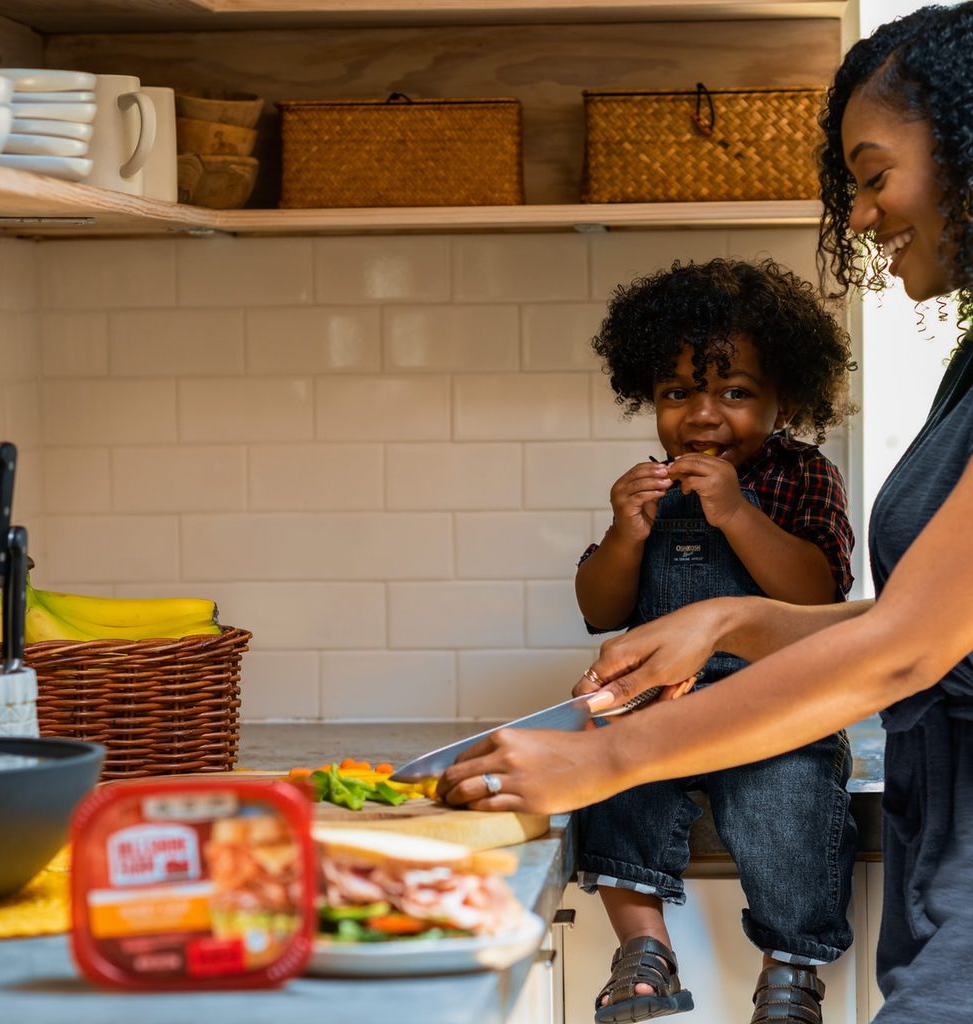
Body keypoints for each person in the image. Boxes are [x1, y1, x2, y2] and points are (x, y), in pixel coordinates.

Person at [439, 5, 973, 1023]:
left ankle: (788, 965)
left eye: (871, 174)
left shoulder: (790, 477)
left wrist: (601, 758)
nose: (859, 215)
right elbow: (939, 622)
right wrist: (727, 619)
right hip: (942, 874)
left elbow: (907, 651)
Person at [573, 257, 858, 1024]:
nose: (702, 416)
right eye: (677, 394)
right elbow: (600, 608)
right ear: (649, 398)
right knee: (609, 779)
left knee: (786, 804)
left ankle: (790, 974)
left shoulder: (804, 477)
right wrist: (624, 536)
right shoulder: (651, 487)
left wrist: (736, 514)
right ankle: (644, 952)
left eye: (734, 391)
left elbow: (819, 592)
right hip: (665, 708)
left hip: (777, 713)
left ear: (784, 397)